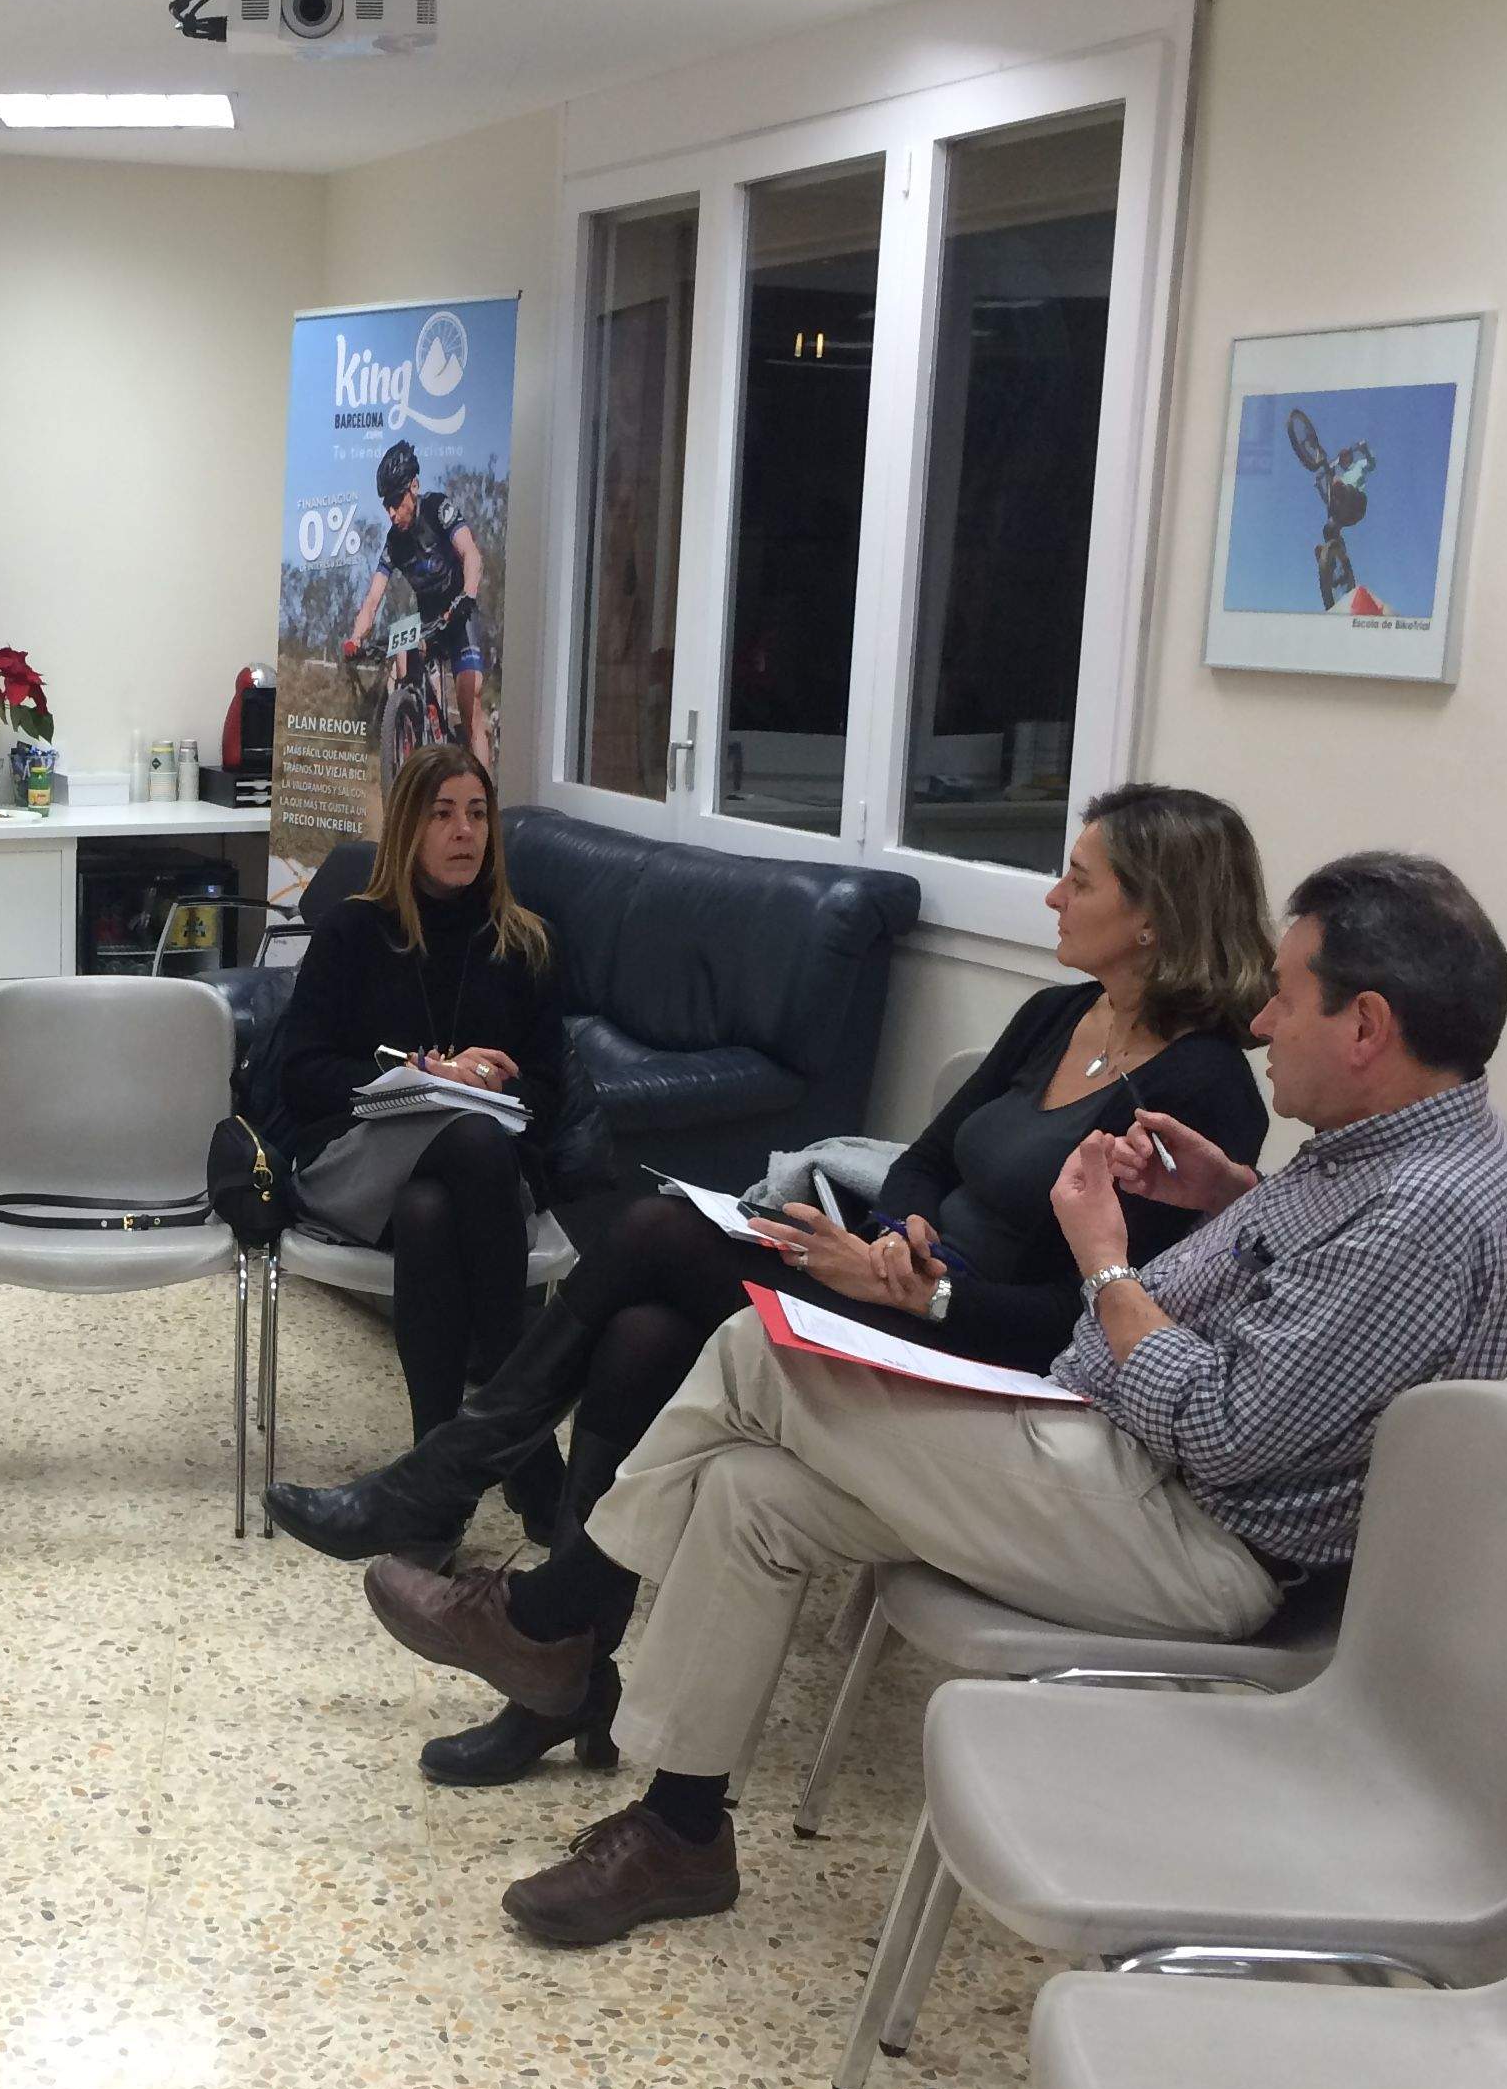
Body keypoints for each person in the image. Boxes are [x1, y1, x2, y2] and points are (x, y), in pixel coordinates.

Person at [363, 852, 1507, 1946]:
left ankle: (551, 1620)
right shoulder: (1374, 1154)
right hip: (1119, 1469)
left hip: (1199, 1543)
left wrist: (1108, 1260)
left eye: (1290, 995)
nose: (1263, 1020)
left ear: (1369, 1027)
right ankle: (679, 1832)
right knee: (748, 1489)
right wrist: (1236, 1204)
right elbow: (1260, 1336)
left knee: (757, 1351)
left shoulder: (1423, 1210)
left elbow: (1228, 1434)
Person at [268, 785, 1279, 1783]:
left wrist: (916, 1295)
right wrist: (899, 1233)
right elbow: (923, 1159)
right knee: (642, 1339)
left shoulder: (1200, 1092)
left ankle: (465, 1509)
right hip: (903, 1290)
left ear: (1150, 917)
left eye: (1080, 879)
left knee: (658, 1233)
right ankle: (554, 1669)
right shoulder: (1060, 1015)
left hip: (995, 1359)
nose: (1054, 898)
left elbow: (1094, 1321)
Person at [273, 744, 577, 1452]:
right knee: (467, 1143)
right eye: (442, 815)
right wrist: (420, 1075)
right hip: (356, 1166)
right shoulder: (353, 931)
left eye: (477, 814)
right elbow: (301, 1074)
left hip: (478, 1186)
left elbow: (551, 1094)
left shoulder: (525, 943)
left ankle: (434, 1481)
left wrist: (492, 1084)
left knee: (432, 1206)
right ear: (409, 828)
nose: (464, 832)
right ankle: (516, 1435)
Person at [343, 441, 492, 770]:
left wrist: (468, 595)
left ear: (414, 487)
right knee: (400, 653)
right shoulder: (394, 542)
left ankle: (486, 797)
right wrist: (356, 638)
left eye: (397, 501)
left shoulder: (439, 509)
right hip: (427, 619)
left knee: (469, 702)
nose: (392, 513)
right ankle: (412, 728)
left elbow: (471, 554)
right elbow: (372, 598)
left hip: (458, 611)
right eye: (387, 505)